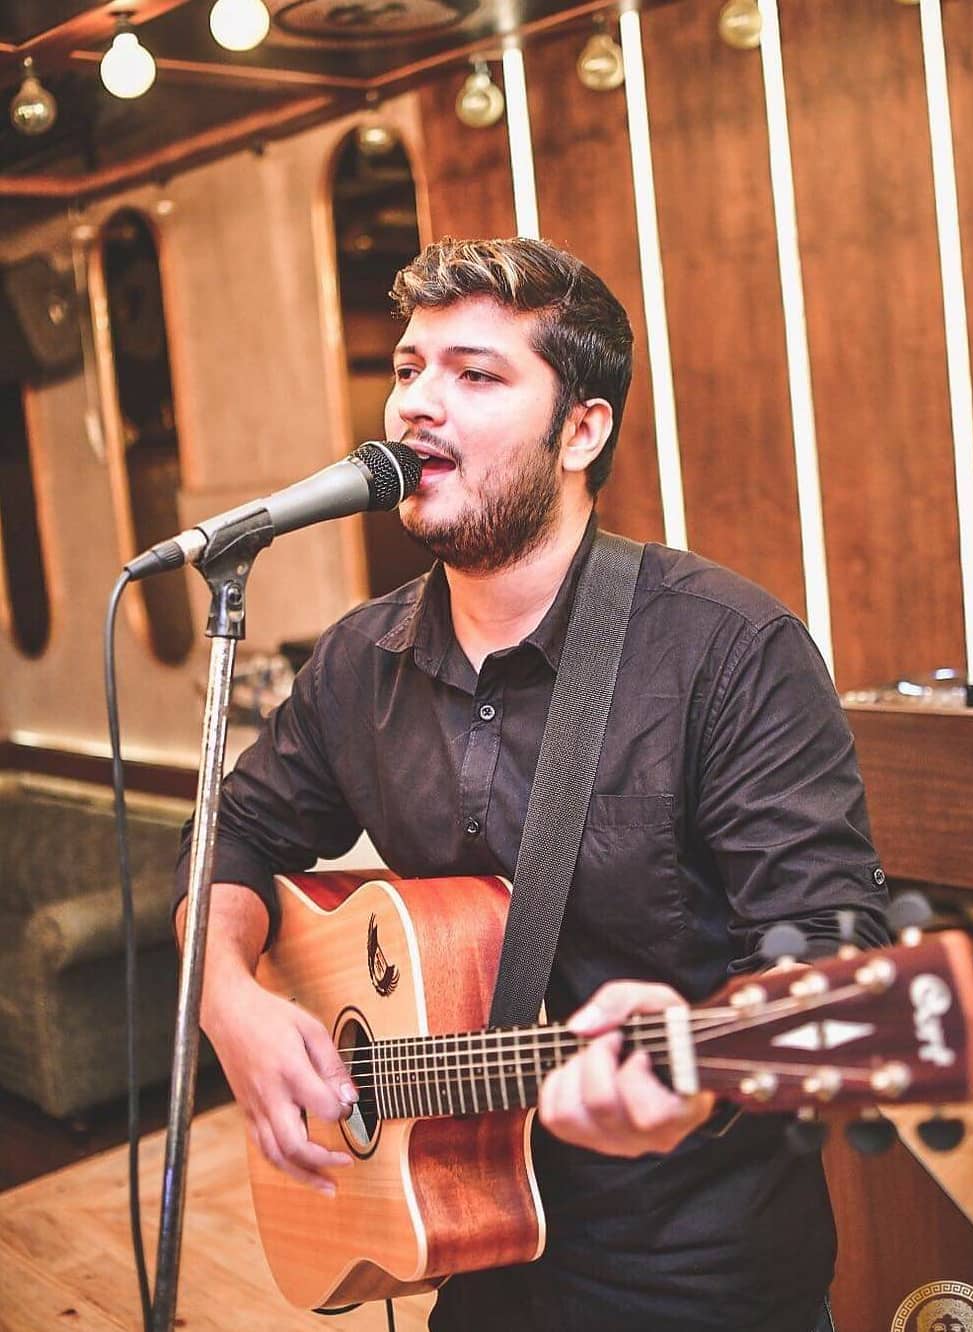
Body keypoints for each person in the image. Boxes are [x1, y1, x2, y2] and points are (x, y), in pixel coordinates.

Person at [174, 237, 889, 1332]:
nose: (416, 404)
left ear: (582, 432)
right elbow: (227, 837)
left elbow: (835, 963)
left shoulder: (728, 649)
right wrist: (229, 1000)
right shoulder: (359, 662)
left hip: (695, 1266)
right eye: (409, 367)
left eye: (476, 374)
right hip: (466, 1245)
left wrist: (694, 1077)